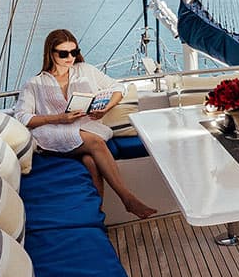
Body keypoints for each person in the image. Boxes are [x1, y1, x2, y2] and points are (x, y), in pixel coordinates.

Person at [14, 29, 157, 219]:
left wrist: (105, 108)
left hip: (85, 128)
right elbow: (22, 116)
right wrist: (59, 118)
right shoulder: (34, 83)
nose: (70, 58)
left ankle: (97, 217)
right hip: (51, 133)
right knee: (96, 143)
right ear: (51, 53)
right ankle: (127, 198)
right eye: (63, 54)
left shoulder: (85, 70)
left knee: (91, 161)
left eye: (74, 52)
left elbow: (117, 87)